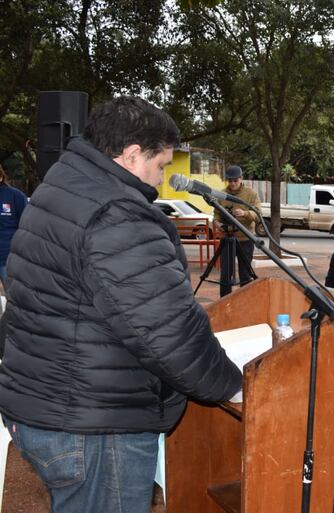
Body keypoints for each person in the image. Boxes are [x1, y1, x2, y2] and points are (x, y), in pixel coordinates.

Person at [0, 97, 242, 513]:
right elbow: (168, 330)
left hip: (45, 403)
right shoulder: (117, 214)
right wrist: (234, 387)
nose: (162, 177)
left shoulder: (63, 185)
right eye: (161, 165)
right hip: (94, 423)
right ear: (131, 155)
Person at [213, 165, 261, 297]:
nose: (233, 184)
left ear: (241, 179)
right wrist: (217, 223)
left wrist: (245, 213)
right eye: (230, 181)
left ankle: (244, 301)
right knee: (225, 274)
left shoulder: (251, 194)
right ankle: (224, 302)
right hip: (227, 239)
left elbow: (258, 215)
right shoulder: (221, 194)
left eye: (235, 180)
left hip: (245, 239)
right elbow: (216, 215)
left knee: (245, 274)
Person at [0, 164, 27, 288]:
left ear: (1, 177)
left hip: (8, 259)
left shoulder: (16, 196)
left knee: (13, 298)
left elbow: (27, 227)